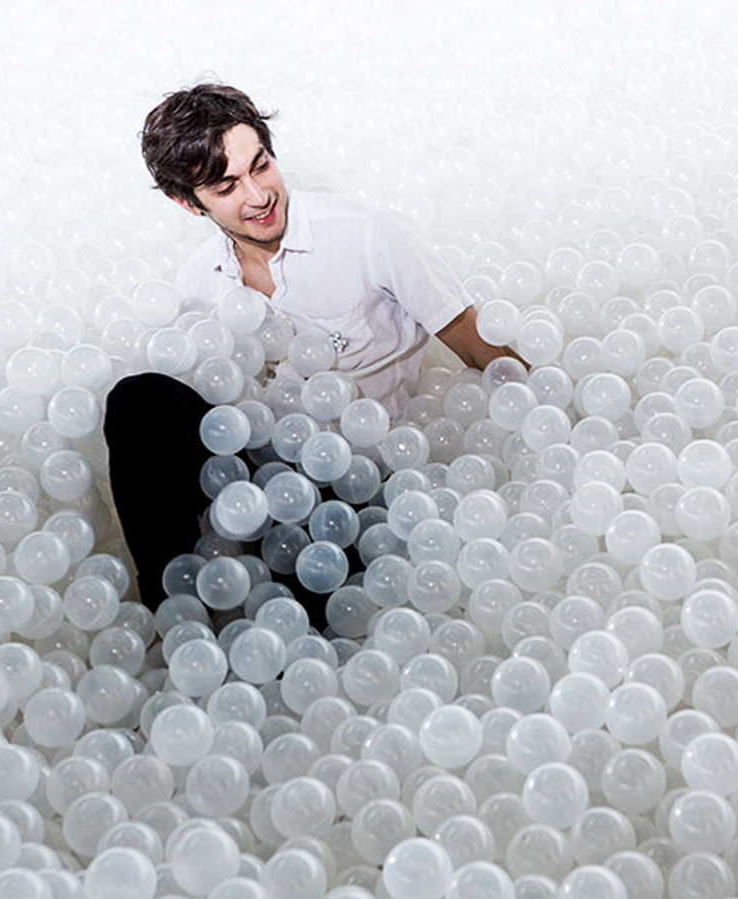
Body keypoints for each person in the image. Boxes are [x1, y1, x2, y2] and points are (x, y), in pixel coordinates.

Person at [105, 83, 521, 613]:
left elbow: (478, 345)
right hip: (259, 483)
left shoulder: (368, 236)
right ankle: (176, 613)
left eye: (261, 166)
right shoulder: (199, 281)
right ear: (187, 203)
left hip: (357, 494)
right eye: (226, 186)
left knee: (313, 622)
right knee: (139, 400)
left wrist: (551, 440)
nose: (258, 196)